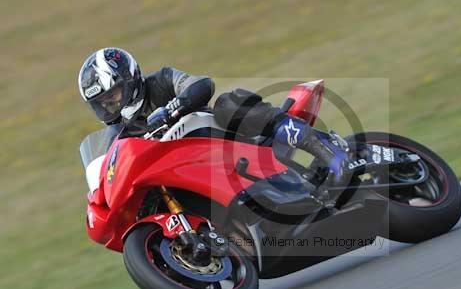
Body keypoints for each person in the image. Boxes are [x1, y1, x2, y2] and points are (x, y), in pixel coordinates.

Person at [78, 47, 347, 179]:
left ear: (129, 78)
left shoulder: (161, 80)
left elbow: (201, 85)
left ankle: (324, 147)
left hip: (226, 141)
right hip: (189, 172)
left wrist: (174, 107)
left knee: (227, 104)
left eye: (112, 94)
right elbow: (110, 169)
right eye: (102, 102)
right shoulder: (120, 131)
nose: (110, 104)